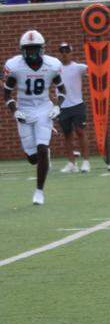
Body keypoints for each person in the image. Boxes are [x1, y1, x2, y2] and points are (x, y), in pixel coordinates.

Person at [4, 30, 63, 205]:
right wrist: (14, 110)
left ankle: (39, 191)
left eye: (34, 49)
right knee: (32, 158)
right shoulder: (15, 66)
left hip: (44, 108)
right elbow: (7, 93)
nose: (31, 53)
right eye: (28, 49)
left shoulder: (52, 65)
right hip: (24, 109)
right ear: (22, 50)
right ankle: (43, 157)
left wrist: (58, 106)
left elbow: (62, 89)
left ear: (42, 49)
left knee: (42, 148)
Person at [56, 42, 101, 174]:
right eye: (62, 52)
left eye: (67, 51)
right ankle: (71, 163)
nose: (64, 54)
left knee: (80, 131)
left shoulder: (79, 67)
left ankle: (86, 162)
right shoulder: (56, 68)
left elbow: (95, 71)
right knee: (67, 135)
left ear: (71, 53)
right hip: (62, 106)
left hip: (77, 105)